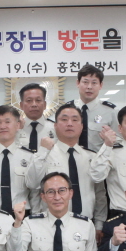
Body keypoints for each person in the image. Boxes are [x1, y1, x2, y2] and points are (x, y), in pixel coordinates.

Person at [26, 103, 107, 241]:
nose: (69, 123)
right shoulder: (44, 154)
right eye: (64, 119)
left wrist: (99, 224)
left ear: (81, 126)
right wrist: (43, 151)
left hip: (85, 224)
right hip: (49, 225)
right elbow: (32, 184)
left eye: (75, 120)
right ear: (55, 125)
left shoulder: (92, 157)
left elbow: (99, 194)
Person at [0, 105, 36, 215]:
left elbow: (34, 192)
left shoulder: (30, 157)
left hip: (21, 214)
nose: (2, 126)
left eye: (7, 122)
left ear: (17, 125)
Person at [67, 64, 117, 150]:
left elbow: (120, 140)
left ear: (101, 85)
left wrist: (110, 140)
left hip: (100, 157)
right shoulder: (66, 110)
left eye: (94, 83)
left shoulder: (111, 111)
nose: (89, 87)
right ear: (78, 83)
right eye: (85, 82)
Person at [16, 82, 55, 151]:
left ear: (45, 104)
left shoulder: (55, 128)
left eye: (38, 100)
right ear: (21, 105)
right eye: (29, 100)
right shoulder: (15, 129)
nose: (34, 104)